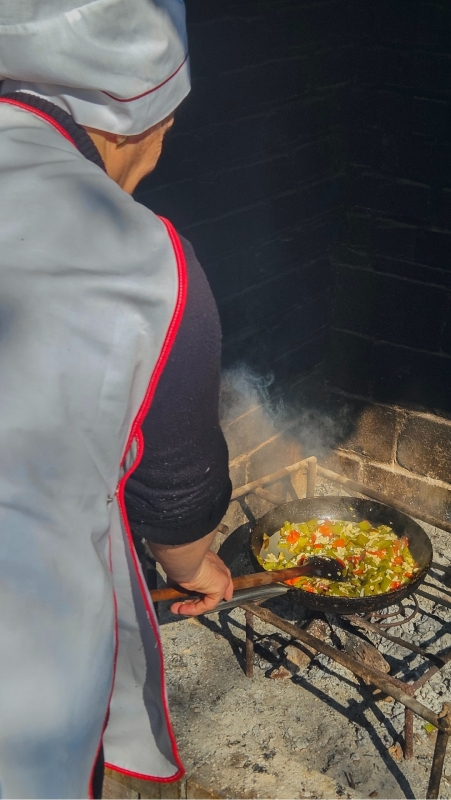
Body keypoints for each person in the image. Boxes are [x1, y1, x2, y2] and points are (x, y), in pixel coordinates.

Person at [0, 1, 235, 797]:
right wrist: (196, 564)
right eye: (169, 128)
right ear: (136, 121)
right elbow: (175, 495)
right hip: (21, 674)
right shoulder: (149, 261)